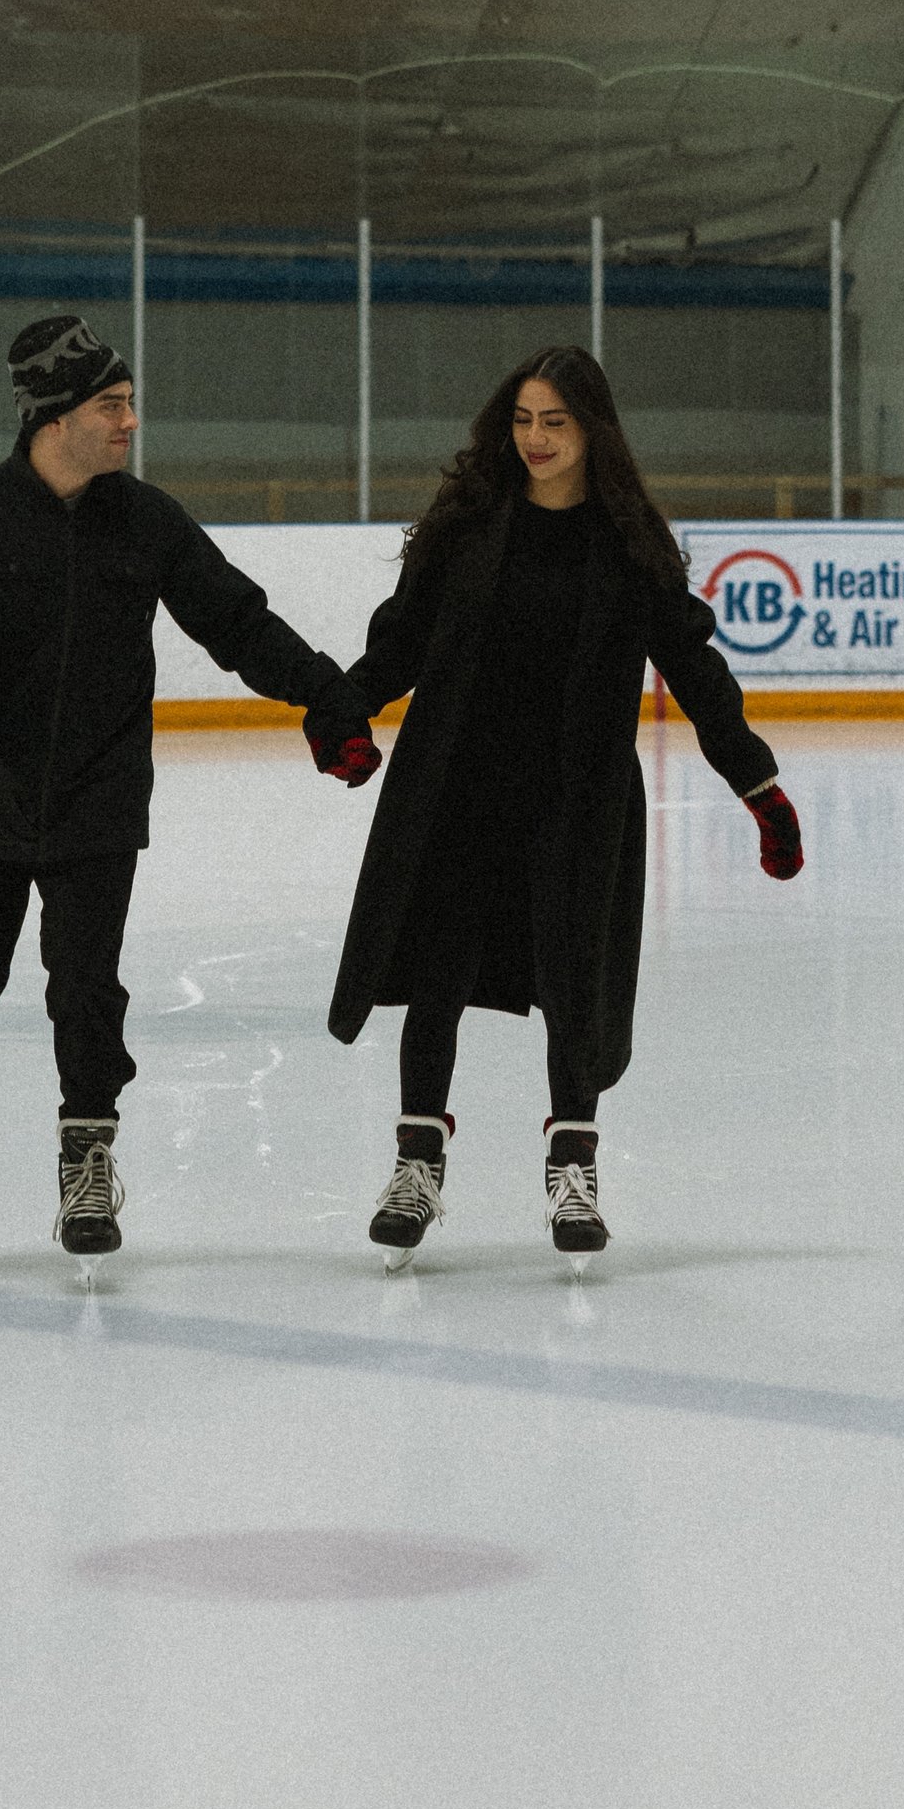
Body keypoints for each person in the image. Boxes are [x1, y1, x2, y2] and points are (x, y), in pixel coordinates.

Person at [0, 311, 379, 1275]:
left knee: (87, 987)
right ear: (55, 417)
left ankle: (87, 1157)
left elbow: (237, 621)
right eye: (113, 404)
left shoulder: (146, 521)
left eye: (129, 402)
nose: (131, 421)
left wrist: (327, 694)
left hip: (97, 799)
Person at [323, 344, 801, 1270]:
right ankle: (416, 1165)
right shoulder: (466, 528)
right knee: (437, 976)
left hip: (575, 802)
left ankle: (573, 1167)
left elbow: (696, 671)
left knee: (575, 981)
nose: (536, 439)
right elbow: (401, 643)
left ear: (593, 433)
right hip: (457, 787)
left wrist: (757, 782)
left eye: (557, 422)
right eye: (523, 421)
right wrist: (341, 715)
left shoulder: (629, 545)